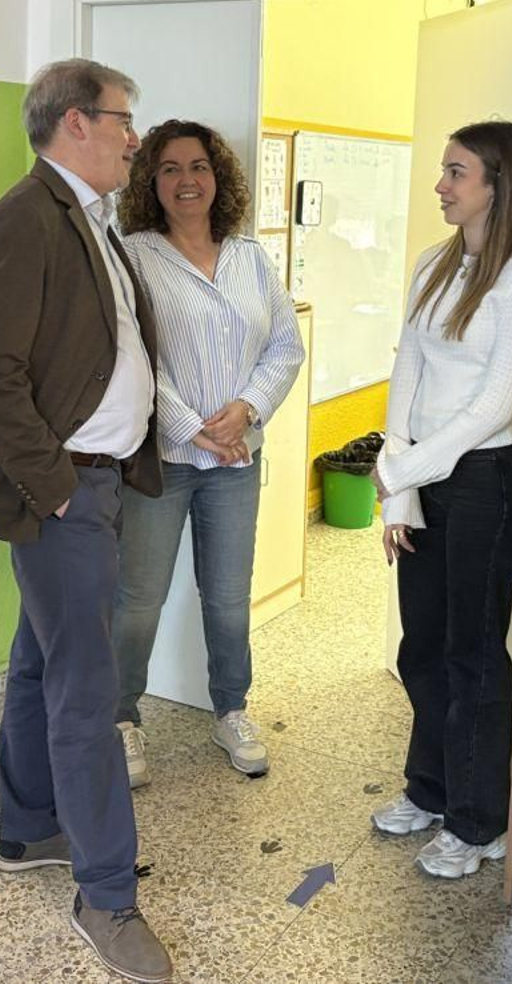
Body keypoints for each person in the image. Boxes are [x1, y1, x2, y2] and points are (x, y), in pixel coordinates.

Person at [0, 59, 172, 984]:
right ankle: (107, 898)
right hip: (65, 494)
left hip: (95, 485)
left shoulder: (88, 221)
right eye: (125, 119)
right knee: (88, 690)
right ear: (76, 122)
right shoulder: (24, 221)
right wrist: (58, 487)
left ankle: (28, 828)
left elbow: (107, 353)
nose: (135, 137)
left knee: (43, 662)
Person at [369, 120, 512, 879]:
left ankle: (479, 825)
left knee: (474, 655)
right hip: (425, 476)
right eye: (445, 171)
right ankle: (432, 791)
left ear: (496, 183)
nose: (442, 185)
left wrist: (408, 474)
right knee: (423, 646)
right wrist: (398, 484)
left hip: (485, 482)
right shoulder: (431, 265)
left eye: (456, 172)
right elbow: (406, 365)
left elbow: (491, 405)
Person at [112, 119, 305, 786]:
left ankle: (231, 709)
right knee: (138, 599)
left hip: (236, 462)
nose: (186, 180)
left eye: (198, 166)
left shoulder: (251, 257)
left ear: (217, 176)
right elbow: (128, 355)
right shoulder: (132, 255)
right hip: (164, 460)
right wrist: (195, 427)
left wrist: (246, 410)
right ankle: (121, 719)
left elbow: (285, 345)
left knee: (226, 597)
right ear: (150, 182)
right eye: (169, 168)